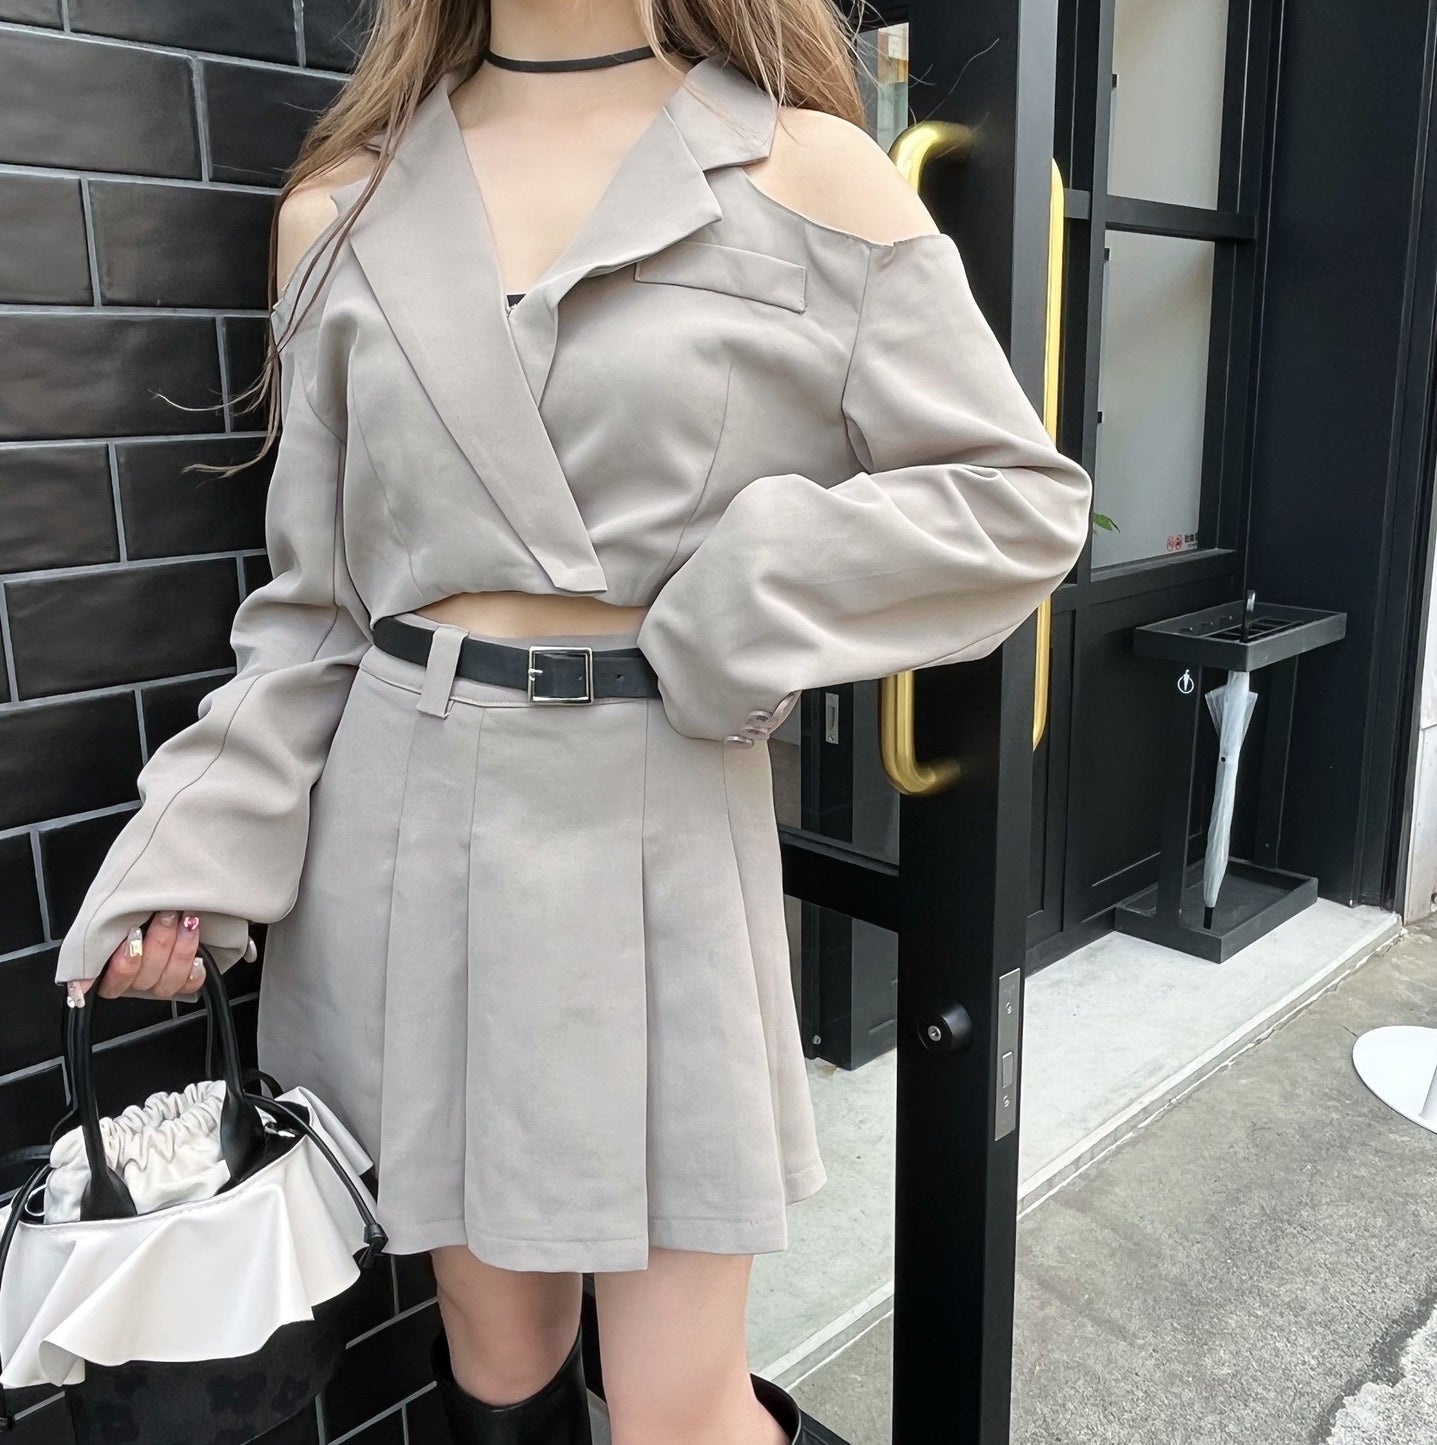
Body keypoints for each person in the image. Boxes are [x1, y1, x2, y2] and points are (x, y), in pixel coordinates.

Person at [51, 2, 1094, 1442]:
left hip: (656, 815)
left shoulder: (805, 169)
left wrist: (734, 612)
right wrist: (192, 853)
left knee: (678, 1408)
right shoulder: (339, 208)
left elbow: (1011, 500)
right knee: (500, 1365)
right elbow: (317, 611)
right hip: (408, 833)